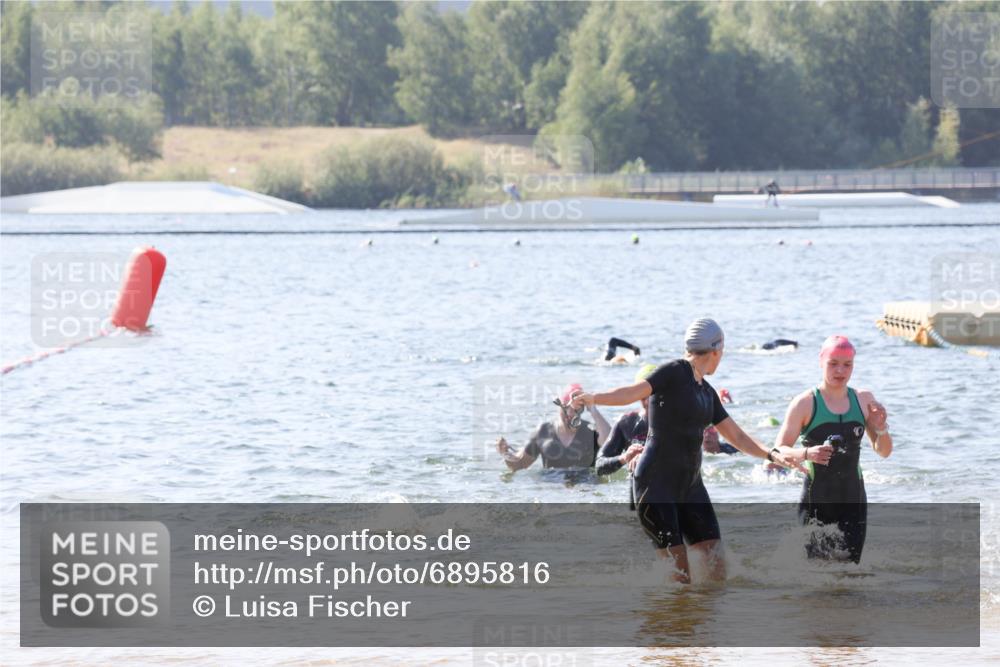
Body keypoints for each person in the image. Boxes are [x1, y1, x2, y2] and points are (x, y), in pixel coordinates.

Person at [573, 318, 804, 583]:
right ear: (717, 350)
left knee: (717, 568)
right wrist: (594, 398)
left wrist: (771, 455)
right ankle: (664, 622)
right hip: (655, 486)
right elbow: (632, 392)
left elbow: (737, 436)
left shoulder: (707, 392)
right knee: (679, 579)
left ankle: (707, 624)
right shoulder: (674, 372)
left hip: (691, 487)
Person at [773, 335, 893, 564]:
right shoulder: (805, 403)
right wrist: (807, 454)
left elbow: (884, 451)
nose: (840, 370)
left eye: (847, 365)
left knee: (849, 577)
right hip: (816, 501)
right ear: (821, 361)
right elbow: (778, 451)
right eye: (833, 363)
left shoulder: (863, 400)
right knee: (816, 578)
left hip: (853, 500)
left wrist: (881, 428)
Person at [497, 383, 611, 471]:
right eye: (566, 408)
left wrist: (592, 408)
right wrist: (505, 453)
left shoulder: (592, 431)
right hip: (552, 490)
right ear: (559, 406)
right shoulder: (543, 432)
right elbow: (520, 464)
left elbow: (609, 443)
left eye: (576, 409)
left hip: (584, 490)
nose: (570, 413)